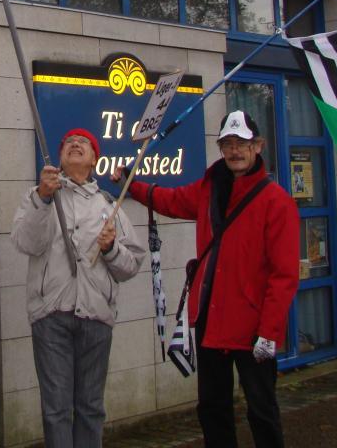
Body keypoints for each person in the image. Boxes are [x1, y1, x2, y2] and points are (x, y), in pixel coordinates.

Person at [120, 110, 299, 448]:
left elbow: (284, 275)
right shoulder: (208, 188)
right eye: (228, 143)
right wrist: (132, 183)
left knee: (262, 410)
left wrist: (270, 331)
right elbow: (169, 200)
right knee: (213, 408)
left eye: (242, 143)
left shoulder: (277, 203)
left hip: (252, 326)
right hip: (211, 322)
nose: (235, 151)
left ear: (258, 146)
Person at [11, 128, 145, 448]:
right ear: (59, 157)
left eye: (83, 142)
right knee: (56, 409)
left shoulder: (109, 204)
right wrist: (43, 199)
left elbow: (131, 265)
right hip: (51, 315)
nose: (74, 144)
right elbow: (27, 242)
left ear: (95, 159)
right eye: (68, 141)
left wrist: (111, 248)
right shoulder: (39, 196)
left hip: (96, 316)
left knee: (90, 407)